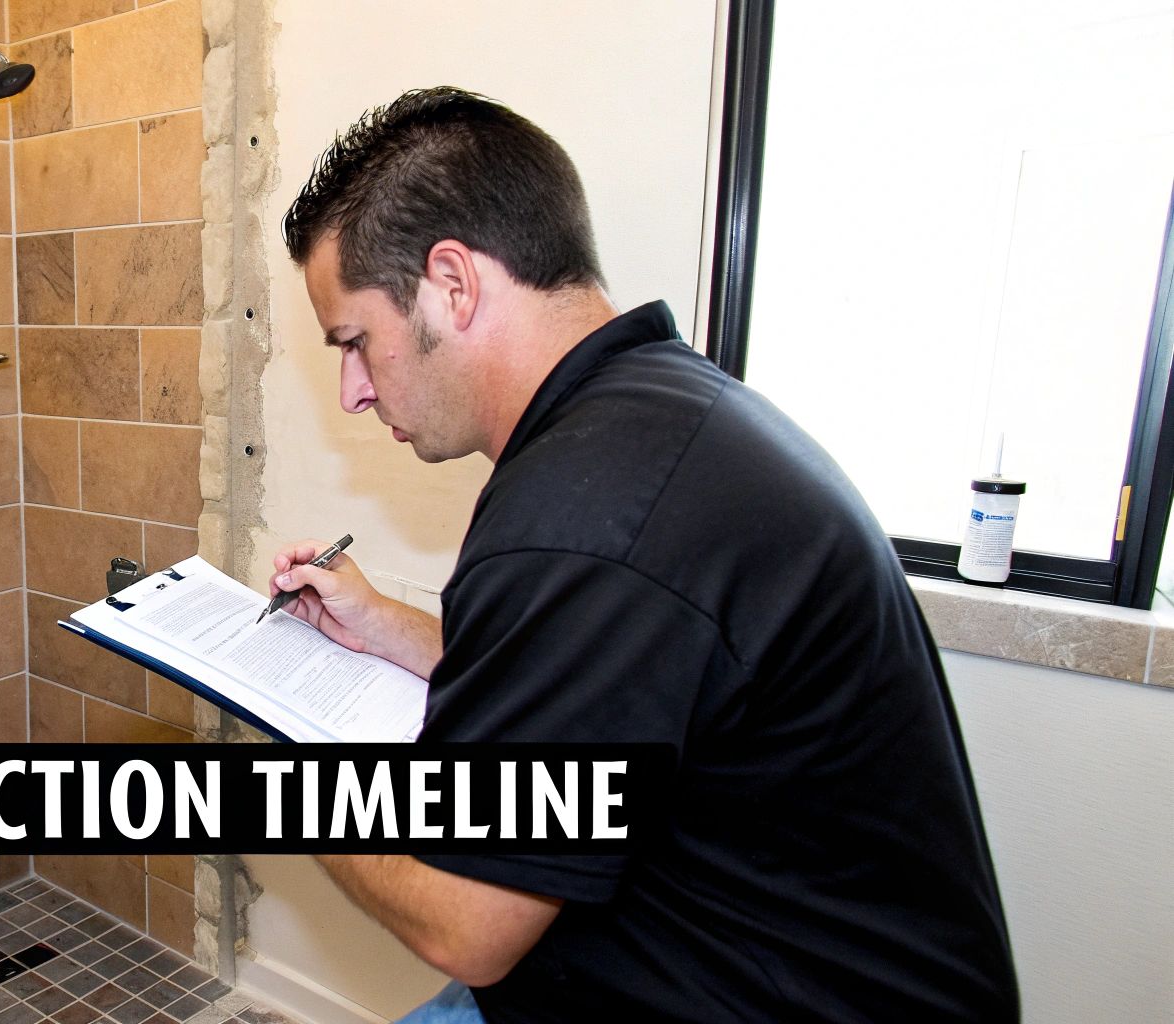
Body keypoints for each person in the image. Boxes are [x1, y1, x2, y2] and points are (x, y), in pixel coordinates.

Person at [267, 87, 1019, 1022]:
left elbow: (464, 924)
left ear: (452, 284)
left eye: (355, 342)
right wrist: (387, 629)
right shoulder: (651, 422)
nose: (351, 392)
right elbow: (609, 694)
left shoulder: (586, 517)